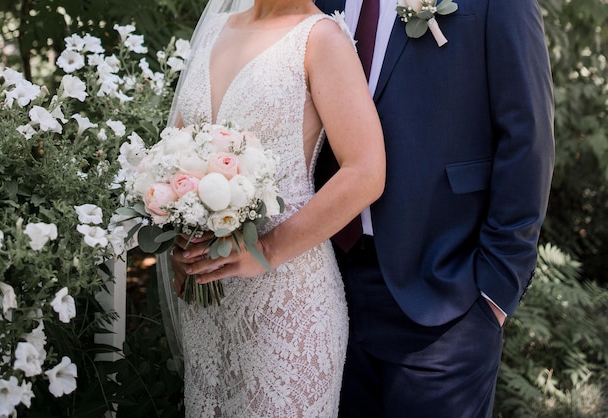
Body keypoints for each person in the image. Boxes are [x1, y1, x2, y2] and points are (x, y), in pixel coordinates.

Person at [175, 0, 555, 416]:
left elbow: (528, 141)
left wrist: (495, 291)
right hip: (320, 283)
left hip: (445, 290)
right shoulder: (314, 6)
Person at [164, 0, 385, 416]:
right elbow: (176, 157)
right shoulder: (214, 28)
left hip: (288, 300)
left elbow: (366, 172)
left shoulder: (321, 39)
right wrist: (184, 239)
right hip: (208, 301)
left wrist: (267, 250)